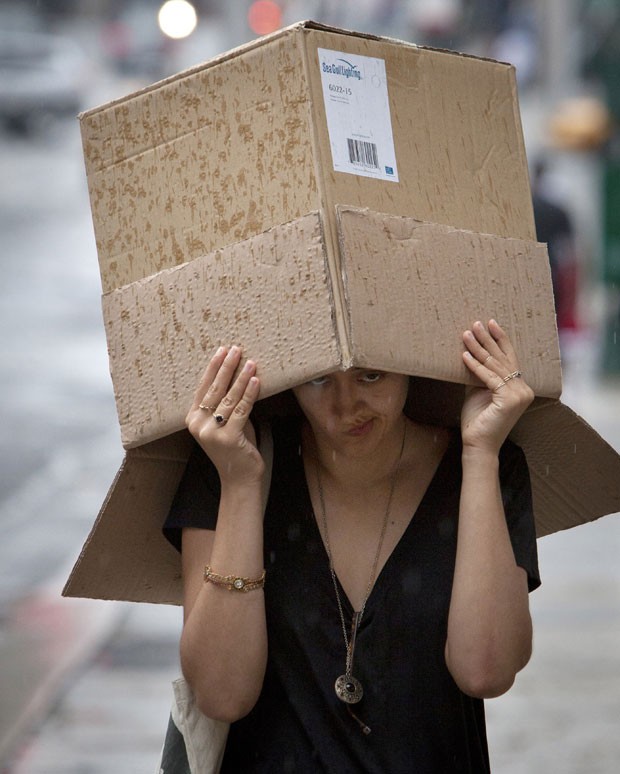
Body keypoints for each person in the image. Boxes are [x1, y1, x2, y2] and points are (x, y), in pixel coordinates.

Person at [164, 319, 540, 773]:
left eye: (370, 376)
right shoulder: (232, 461)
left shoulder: (483, 464)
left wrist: (481, 455)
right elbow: (222, 693)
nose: (346, 407)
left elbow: (487, 671)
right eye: (319, 379)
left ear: (408, 365)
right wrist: (241, 486)